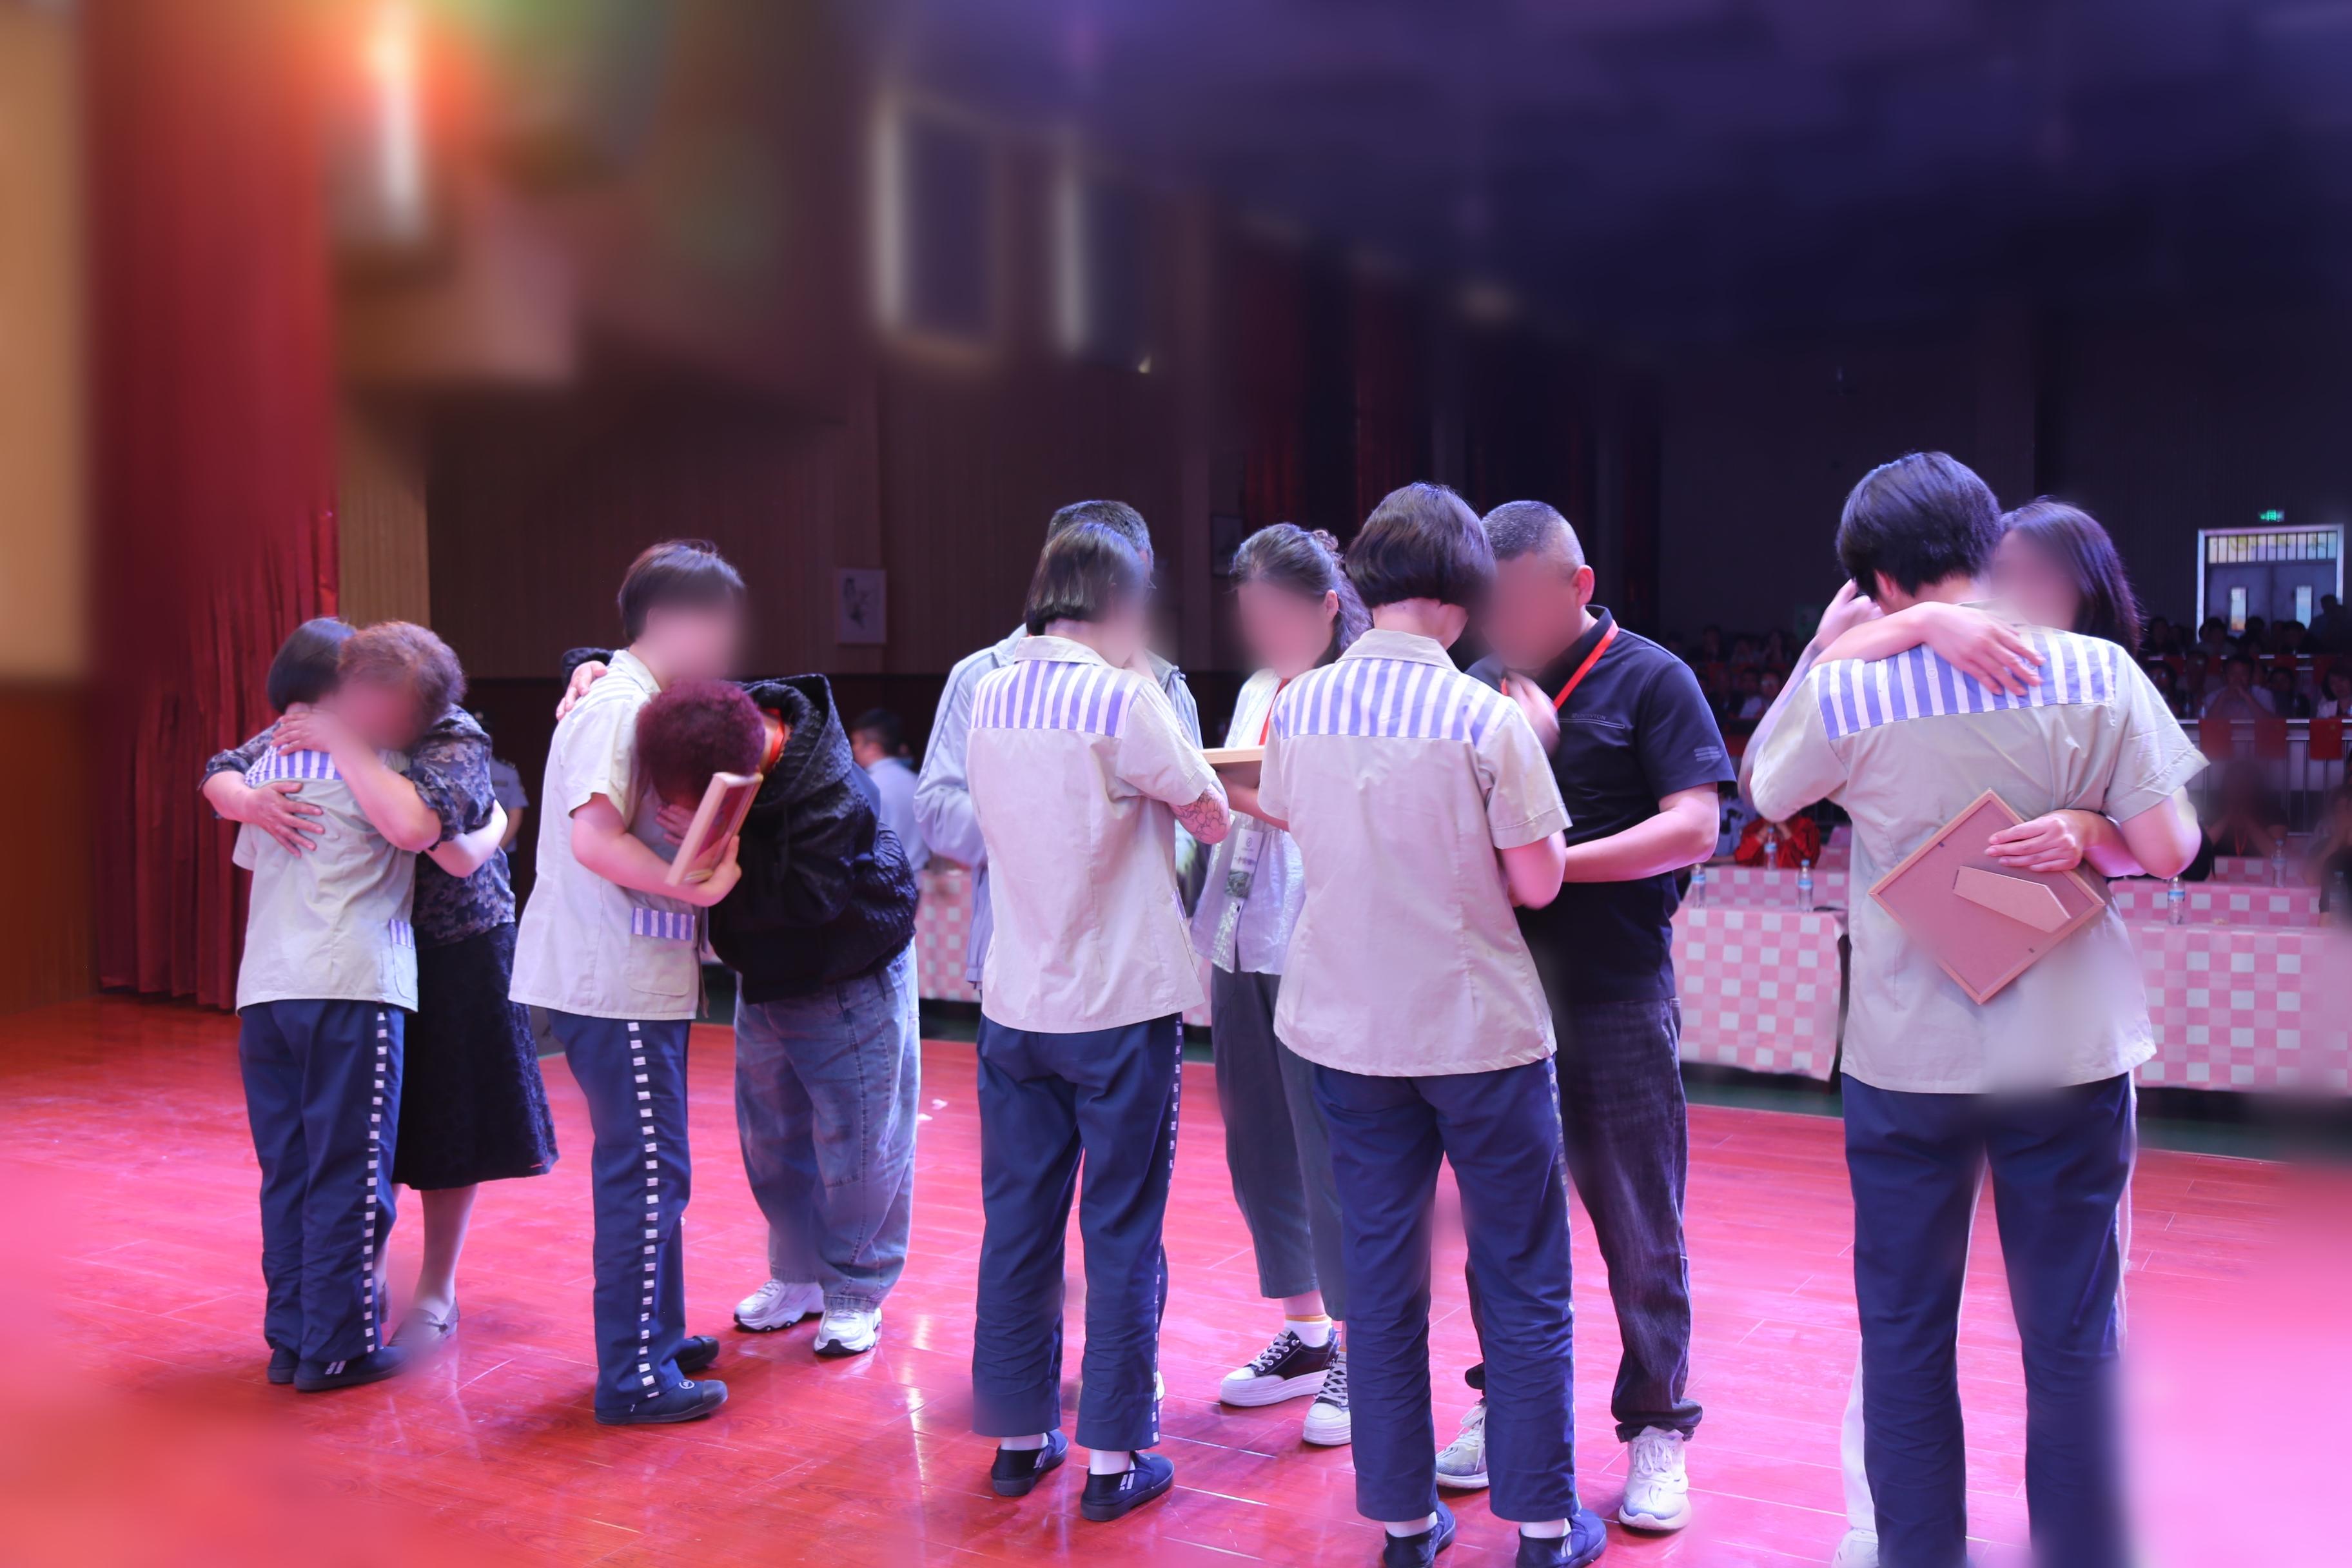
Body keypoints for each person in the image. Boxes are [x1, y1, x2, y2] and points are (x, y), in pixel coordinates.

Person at [1747, 453, 2204, 1568]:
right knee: (2073, 1336)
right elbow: (2170, 849)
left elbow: (1764, 786)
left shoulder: (1847, 689)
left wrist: (1836, 646)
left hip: (1907, 1059)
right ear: (1986, 541)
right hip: (2068, 1051)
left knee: (1905, 1336)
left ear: (1874, 582)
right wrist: (2086, 831)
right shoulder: (2094, 670)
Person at [1262, 482, 1599, 1568]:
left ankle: (1405, 1524)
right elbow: (1538, 882)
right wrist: (1536, 741)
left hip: (1347, 1031)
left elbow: (1294, 819)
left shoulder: (1298, 706)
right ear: (1461, 599)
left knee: (1379, 1276)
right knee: (1521, 1273)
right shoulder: (1485, 717)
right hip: (1477, 1034)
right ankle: (1542, 1526)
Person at [1442, 500, 1730, 1537]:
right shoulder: (1475, 687)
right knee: (1499, 1226)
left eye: (1523, 602)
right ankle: (1504, 1405)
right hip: (1498, 997)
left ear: (1579, 586)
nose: (1505, 624)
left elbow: (1694, 827)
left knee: (1642, 1227)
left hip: (1615, 995)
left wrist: (1555, 870)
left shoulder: (1653, 679)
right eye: (1492, 606)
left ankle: (1657, 1425)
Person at [963, 521, 1231, 1522]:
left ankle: (1017, 1440)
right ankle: (1115, 1456)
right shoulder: (1124, 694)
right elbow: (1210, 811)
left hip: (1016, 1000)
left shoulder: (990, 689)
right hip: (1118, 1004)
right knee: (1121, 1224)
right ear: (1123, 603)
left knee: (1017, 1221)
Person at [208, 625, 552, 1355]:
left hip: (451, 945)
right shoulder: (325, 722)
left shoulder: (448, 733)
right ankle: (349, 1301)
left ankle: (433, 1290)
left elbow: (448, 847)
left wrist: (485, 823)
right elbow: (226, 768)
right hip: (362, 957)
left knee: (447, 1124)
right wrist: (249, 800)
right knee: (355, 1137)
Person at [509, 540, 748, 1426]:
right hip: (613, 975)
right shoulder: (616, 706)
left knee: (655, 1167)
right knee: (646, 1173)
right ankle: (634, 1373)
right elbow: (594, 839)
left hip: (634, 971)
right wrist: (694, 885)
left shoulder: (634, 699)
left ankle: (657, 1336)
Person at [202, 620, 454, 1393]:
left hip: (267, 992)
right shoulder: (383, 763)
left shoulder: (264, 769)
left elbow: (249, 843)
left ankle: (291, 1340)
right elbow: (427, 832)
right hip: (351, 985)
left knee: (290, 1170)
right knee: (350, 1169)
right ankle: (340, 1346)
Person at [1194, 524, 1369, 1447]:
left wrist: (1225, 789)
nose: (1260, 631)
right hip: (1236, 938)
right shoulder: (1260, 688)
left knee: (1332, 1154)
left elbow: (1338, 816)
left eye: (1275, 613)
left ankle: (1363, 1348)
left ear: (1328, 607)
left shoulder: (1354, 694)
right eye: (1248, 613)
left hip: (1319, 945)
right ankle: (1306, 1331)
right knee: (1259, 1146)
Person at [914, 501, 1201, 995]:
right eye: (1113, 588)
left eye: (1138, 588)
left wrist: (1145, 860)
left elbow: (1198, 815)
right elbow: (936, 808)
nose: (1127, 606)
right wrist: (1052, 835)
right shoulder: (984, 677)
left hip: (1130, 962)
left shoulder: (1162, 684)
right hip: (1017, 956)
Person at [849, 707, 929, 874]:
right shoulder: (919, 782)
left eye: (856, 742)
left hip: (884, 881)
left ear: (873, 748)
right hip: (920, 878)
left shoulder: (866, 787)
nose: (853, 748)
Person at [2202, 760, 2288, 859]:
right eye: (2234, 784)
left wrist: (2246, 818)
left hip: (2263, 870)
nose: (2239, 790)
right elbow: (2202, 849)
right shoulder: (2214, 811)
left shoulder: (2274, 813)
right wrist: (2228, 816)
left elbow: (2275, 853)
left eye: (2245, 784)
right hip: (2218, 869)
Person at [2203, 654, 2272, 718]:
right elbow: (2207, 724)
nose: (2238, 679)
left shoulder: (2263, 694)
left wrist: (2247, 696)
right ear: (2224, 677)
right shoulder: (2213, 696)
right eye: (2233, 674)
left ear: (2251, 677)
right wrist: (2222, 698)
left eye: (2243, 674)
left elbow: (2270, 723)